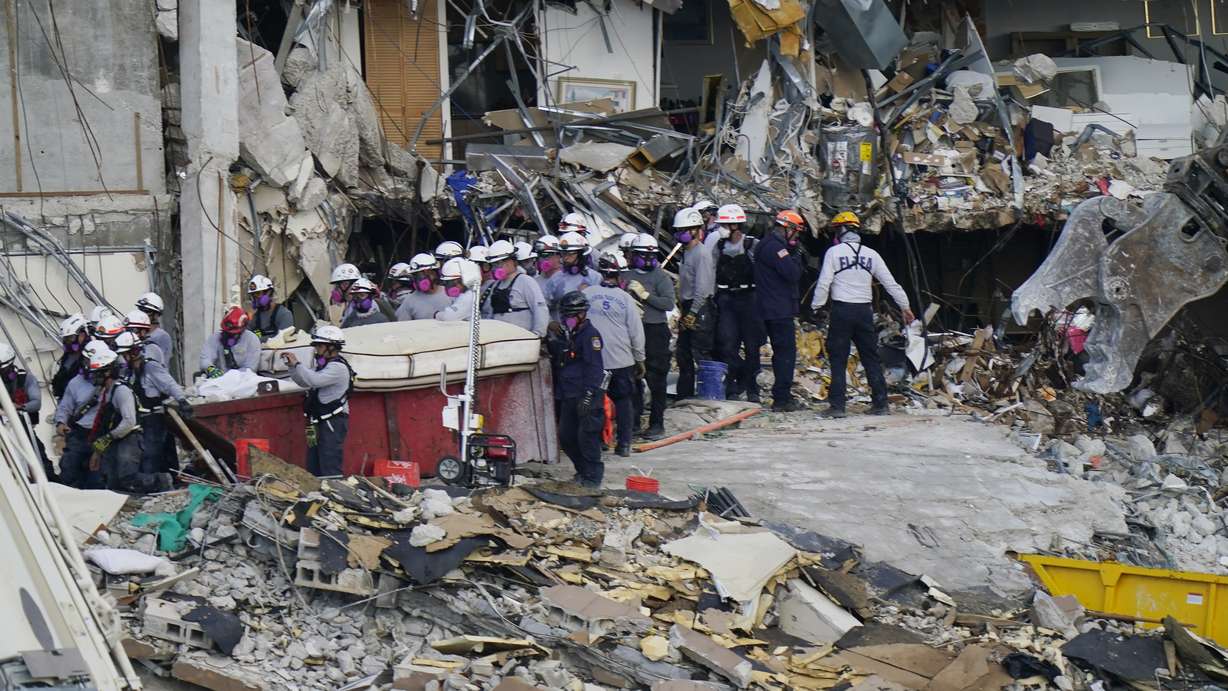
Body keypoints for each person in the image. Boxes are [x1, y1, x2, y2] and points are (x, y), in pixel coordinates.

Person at [810, 211, 914, 418]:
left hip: (842, 310)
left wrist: (816, 305)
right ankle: (880, 404)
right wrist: (905, 306)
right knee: (870, 357)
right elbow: (890, 283)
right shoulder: (871, 254)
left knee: (838, 358)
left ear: (841, 230)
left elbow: (824, 283)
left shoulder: (834, 252)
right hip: (864, 312)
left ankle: (838, 407)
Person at [65, 345, 171, 493]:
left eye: (97, 374)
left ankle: (162, 481)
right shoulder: (105, 393)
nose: (94, 378)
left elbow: (129, 422)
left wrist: (108, 438)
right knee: (112, 482)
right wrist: (98, 449)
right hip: (115, 441)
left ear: (107, 372)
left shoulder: (121, 391)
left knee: (127, 477)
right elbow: (104, 423)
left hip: (129, 439)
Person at [583, 253, 645, 457]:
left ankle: (599, 441)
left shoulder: (587, 294)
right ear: (619, 275)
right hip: (621, 359)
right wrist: (640, 358)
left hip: (594, 360)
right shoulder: (626, 299)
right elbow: (636, 332)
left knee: (595, 402)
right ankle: (624, 444)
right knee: (624, 401)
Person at [546, 292, 606, 487]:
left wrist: (589, 395)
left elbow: (594, 367)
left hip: (586, 393)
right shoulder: (569, 335)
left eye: (570, 316)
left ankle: (593, 477)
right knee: (566, 436)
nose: (567, 320)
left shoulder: (590, 335)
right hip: (569, 393)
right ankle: (582, 470)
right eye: (565, 316)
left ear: (582, 314)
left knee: (587, 437)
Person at [753, 210, 807, 412]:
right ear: (788, 229)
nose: (797, 236)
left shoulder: (764, 244)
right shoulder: (777, 249)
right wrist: (796, 256)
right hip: (779, 309)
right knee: (786, 354)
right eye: (796, 231)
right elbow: (792, 274)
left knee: (772, 352)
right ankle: (782, 399)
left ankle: (767, 393)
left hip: (766, 307)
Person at [116, 331, 190, 476]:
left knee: (151, 456)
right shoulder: (128, 372)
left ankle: (160, 483)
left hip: (154, 419)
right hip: (139, 421)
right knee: (145, 456)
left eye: (125, 354)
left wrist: (182, 400)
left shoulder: (151, 367)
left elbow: (169, 384)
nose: (124, 358)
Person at [282, 325, 354, 477]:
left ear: (331, 347)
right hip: (317, 421)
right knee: (313, 463)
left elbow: (314, 380)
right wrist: (292, 368)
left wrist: (297, 364)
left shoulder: (338, 368)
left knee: (330, 461)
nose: (316, 350)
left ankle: (334, 494)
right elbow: (304, 382)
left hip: (333, 421)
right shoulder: (324, 366)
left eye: (319, 346)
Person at [708, 203, 762, 401]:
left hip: (749, 299)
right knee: (727, 344)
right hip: (726, 299)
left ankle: (752, 388)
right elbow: (712, 273)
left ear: (734, 225)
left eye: (723, 224)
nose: (719, 228)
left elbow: (762, 274)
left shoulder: (752, 245)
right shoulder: (718, 246)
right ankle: (731, 387)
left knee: (751, 345)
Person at [624, 233, 674, 439]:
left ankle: (656, 423)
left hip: (655, 330)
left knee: (657, 379)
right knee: (632, 378)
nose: (647, 260)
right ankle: (633, 422)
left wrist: (645, 296)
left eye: (650, 256)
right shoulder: (625, 276)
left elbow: (668, 303)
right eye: (642, 256)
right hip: (630, 332)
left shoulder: (660, 276)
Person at [673, 207, 716, 399]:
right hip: (688, 306)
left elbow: (703, 288)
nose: (679, 234)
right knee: (683, 354)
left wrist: (693, 313)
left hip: (700, 308)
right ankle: (685, 395)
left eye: (684, 230)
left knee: (701, 353)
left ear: (694, 230)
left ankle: (708, 395)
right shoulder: (685, 252)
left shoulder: (701, 254)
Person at [0, 342, 51, 477]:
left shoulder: (26, 378)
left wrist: (18, 407)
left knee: (40, 461)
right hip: (3, 433)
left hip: (23, 428)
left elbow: (36, 403)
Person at [480, 240, 549, 336]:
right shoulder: (495, 286)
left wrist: (538, 334)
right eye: (494, 264)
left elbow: (540, 309)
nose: (497, 267)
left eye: (500, 263)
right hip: (500, 340)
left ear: (512, 261)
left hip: (521, 340)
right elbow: (490, 313)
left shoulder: (526, 282)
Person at [545, 232, 602, 321]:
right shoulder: (556, 278)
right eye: (563, 254)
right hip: (562, 329)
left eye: (570, 254)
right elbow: (543, 305)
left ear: (581, 254)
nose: (565, 258)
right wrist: (550, 322)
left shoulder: (595, 278)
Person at [199, 306, 262, 376]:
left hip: (243, 380)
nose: (229, 336)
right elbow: (205, 358)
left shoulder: (252, 340)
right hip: (219, 379)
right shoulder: (215, 338)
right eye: (227, 332)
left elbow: (250, 368)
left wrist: (231, 377)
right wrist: (210, 368)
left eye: (234, 334)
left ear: (242, 330)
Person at [396, 253, 454, 320]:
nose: (421, 278)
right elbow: (402, 326)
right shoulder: (409, 301)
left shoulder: (451, 296)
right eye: (417, 275)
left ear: (436, 273)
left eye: (427, 273)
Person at [247, 274, 294, 342]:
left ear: (268, 292)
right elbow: (247, 335)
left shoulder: (284, 314)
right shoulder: (256, 318)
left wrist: (256, 340)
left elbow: (282, 339)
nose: (255, 298)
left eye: (257, 293)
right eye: (253, 295)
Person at [53, 313, 89, 398]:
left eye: (71, 338)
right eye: (66, 339)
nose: (68, 342)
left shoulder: (90, 356)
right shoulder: (68, 356)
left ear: (82, 335)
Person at [435, 258, 481, 322]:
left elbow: (448, 317)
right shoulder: (465, 295)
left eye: (450, 283)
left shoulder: (468, 297)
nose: (448, 286)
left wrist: (437, 314)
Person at [135, 292, 173, 362]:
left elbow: (158, 362)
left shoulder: (162, 336)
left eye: (146, 311)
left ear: (156, 315)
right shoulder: (136, 334)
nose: (142, 315)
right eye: (140, 310)